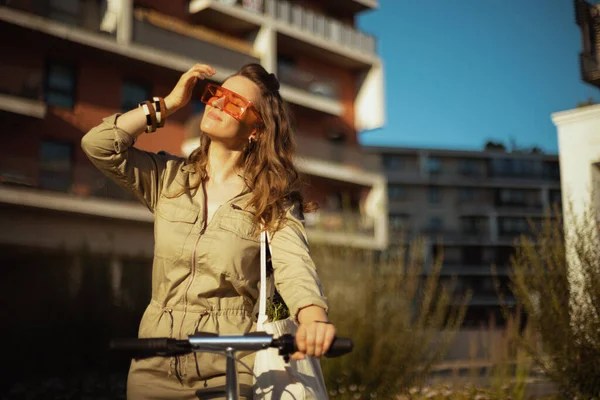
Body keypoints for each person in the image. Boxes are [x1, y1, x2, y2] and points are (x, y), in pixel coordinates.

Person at [81, 63, 336, 399]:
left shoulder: (270, 199)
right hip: (153, 360)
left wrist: (313, 319)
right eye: (217, 94)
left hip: (229, 365)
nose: (216, 103)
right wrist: (169, 104)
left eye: (234, 102)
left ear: (256, 129)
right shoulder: (169, 178)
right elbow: (99, 145)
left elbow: (295, 266)